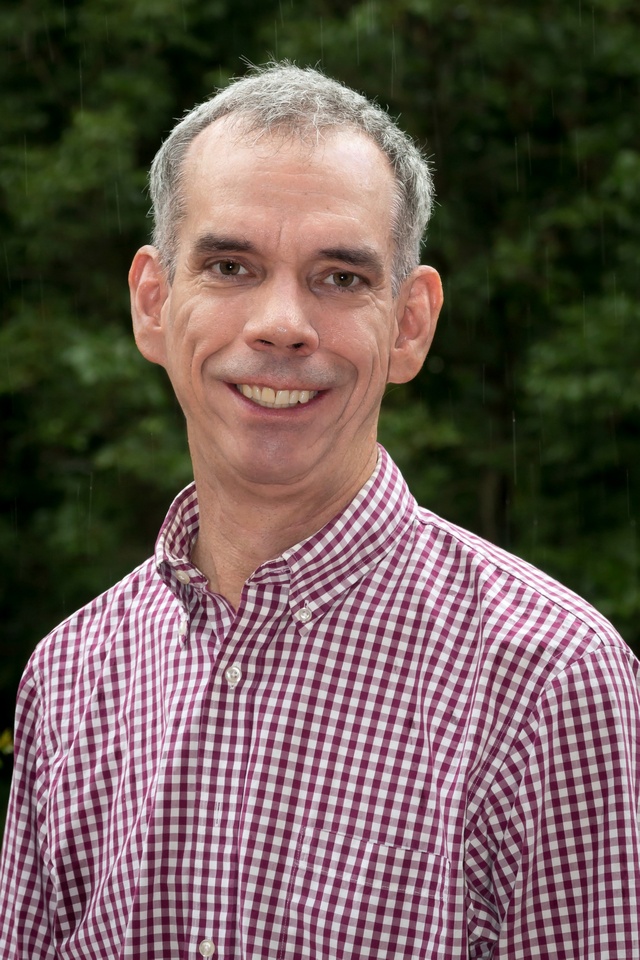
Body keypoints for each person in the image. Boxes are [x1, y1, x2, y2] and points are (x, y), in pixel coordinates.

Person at [0, 61, 638, 960]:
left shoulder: (548, 683)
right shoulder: (68, 678)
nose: (282, 323)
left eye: (340, 278)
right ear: (153, 303)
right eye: (230, 265)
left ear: (411, 322)